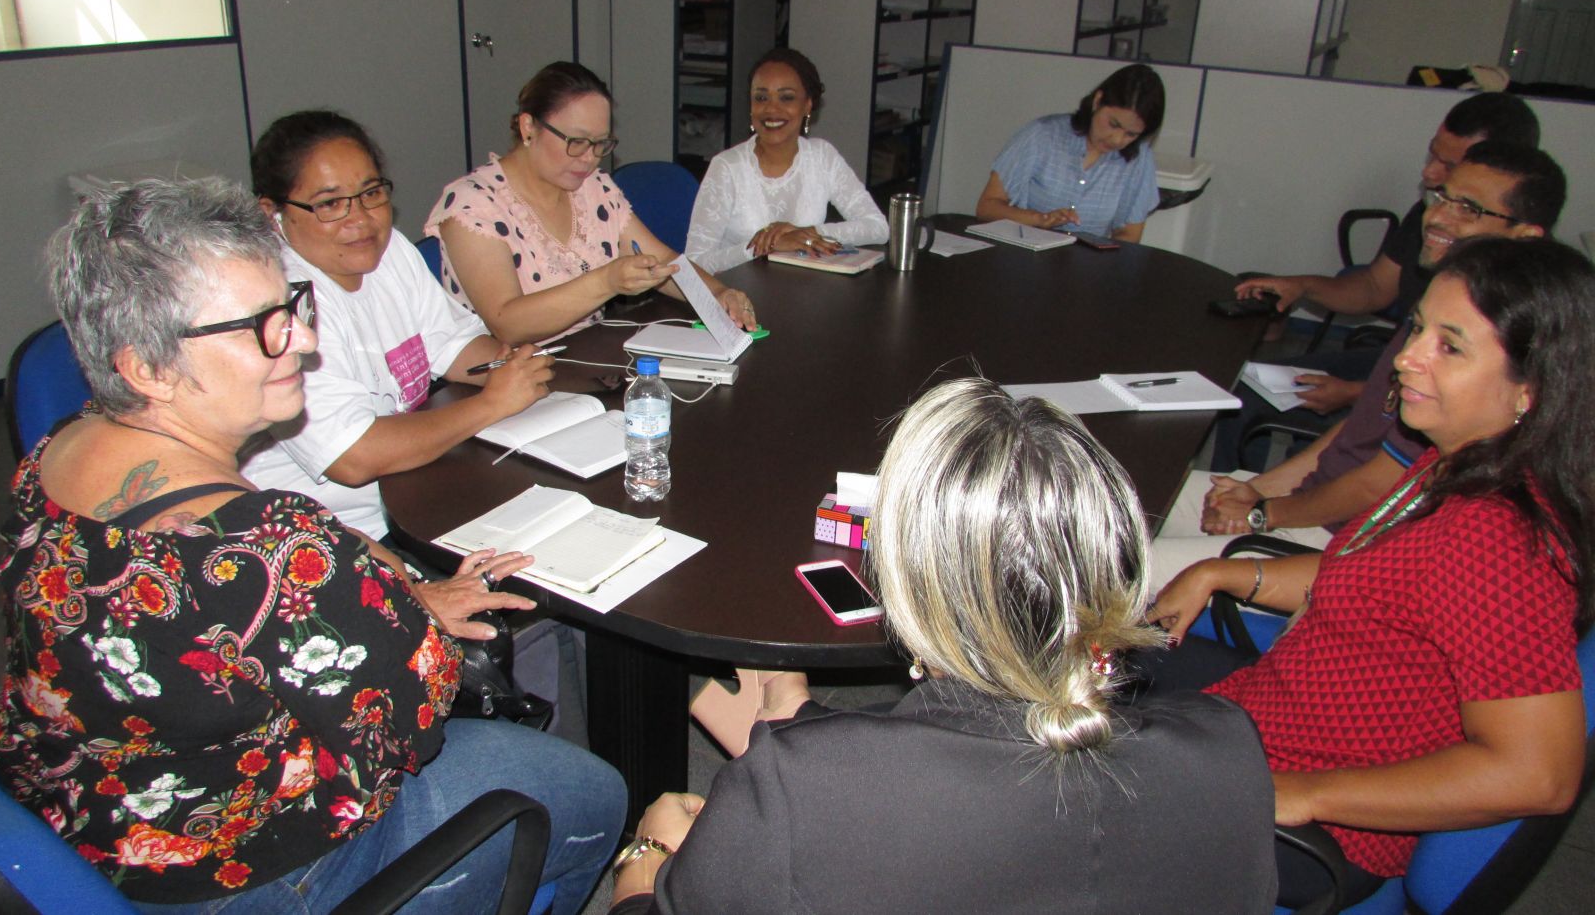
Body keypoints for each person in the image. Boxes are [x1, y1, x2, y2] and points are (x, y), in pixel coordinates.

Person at [0, 179, 625, 913]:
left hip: (84, 810)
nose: (303, 339)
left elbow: (211, 623)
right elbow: (412, 724)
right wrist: (397, 606)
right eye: (260, 327)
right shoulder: (272, 547)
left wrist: (366, 592)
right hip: (244, 872)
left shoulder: (56, 450)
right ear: (148, 368)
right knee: (595, 792)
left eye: (292, 306)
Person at [607, 377, 1277, 913]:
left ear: (905, 585)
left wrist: (646, 861)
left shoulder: (798, 789)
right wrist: (800, 720)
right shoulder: (1228, 751)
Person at [1145, 236, 1594, 906]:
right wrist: (1220, 574)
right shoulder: (1451, 461)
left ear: (1530, 389)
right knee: (1082, 667)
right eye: (1418, 329)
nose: (1407, 358)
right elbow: (1372, 580)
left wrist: (1306, 794)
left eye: (1450, 347)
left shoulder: (1496, 539)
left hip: (1318, 823)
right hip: (1272, 717)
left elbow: (1538, 774)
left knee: (1040, 790)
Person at [1150, 141, 1564, 590]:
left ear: (1526, 236)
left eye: (1468, 208)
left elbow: (1377, 486)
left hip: (1338, 544)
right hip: (1303, 502)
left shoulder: (1488, 372)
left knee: (1113, 569)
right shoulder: (1440, 307)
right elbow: (1357, 430)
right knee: (1122, 499)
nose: (1438, 216)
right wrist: (1259, 490)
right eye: (1442, 197)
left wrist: (1260, 513)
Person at [240, 110, 555, 544]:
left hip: (417, 488)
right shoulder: (279, 300)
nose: (360, 219)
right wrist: (492, 403)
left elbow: (452, 343)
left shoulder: (388, 252)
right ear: (273, 213)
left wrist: (514, 367)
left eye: (371, 193)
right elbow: (352, 456)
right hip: (332, 534)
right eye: (330, 204)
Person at [1214, 92, 1540, 468]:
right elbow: (1373, 287)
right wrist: (1302, 286)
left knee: (1321, 456)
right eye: (1432, 155)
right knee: (1244, 393)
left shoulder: (1519, 297)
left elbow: (1459, 396)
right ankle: (1239, 480)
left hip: (1418, 388)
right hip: (1394, 364)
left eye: (1449, 166)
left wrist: (1357, 394)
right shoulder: (1431, 213)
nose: (1429, 174)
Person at [428, 61, 756, 341]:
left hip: (585, 358)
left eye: (600, 143)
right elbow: (507, 323)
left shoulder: (591, 187)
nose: (589, 157)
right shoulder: (473, 205)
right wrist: (606, 281)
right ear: (529, 127)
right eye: (577, 141)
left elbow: (662, 261)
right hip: (509, 379)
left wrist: (717, 293)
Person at [684, 47, 889, 274]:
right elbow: (695, 263)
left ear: (807, 104)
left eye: (786, 97)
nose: (771, 108)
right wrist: (764, 246)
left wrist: (806, 233)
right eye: (761, 98)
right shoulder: (727, 167)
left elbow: (877, 227)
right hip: (737, 292)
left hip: (807, 288)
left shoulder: (822, 157)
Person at [974, 62, 1164, 242]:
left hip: (1091, 260)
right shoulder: (1042, 135)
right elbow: (987, 207)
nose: (1117, 140)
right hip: (1026, 251)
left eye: (1131, 134)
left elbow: (1129, 234)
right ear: (1097, 101)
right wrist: (1039, 219)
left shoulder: (1139, 158)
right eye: (1113, 124)